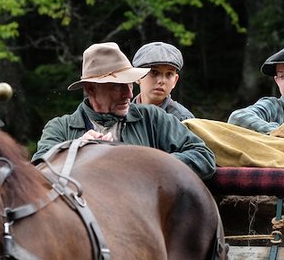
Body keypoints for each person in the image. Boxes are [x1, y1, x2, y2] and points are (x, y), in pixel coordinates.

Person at [32, 42, 215, 180]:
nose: (129, 94)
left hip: (145, 222)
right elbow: (38, 173)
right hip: (84, 224)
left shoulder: (153, 118)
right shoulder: (60, 128)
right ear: (91, 89)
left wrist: (148, 164)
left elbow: (204, 156)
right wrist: (76, 150)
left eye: (129, 84)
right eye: (117, 87)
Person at [227, 44, 284, 134]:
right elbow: (237, 118)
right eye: (281, 76)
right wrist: (282, 133)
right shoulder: (273, 107)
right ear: (276, 81)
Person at [131, 41, 194, 121]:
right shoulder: (123, 115)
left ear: (175, 80)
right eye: (154, 72)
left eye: (169, 74)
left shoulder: (182, 120)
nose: (162, 81)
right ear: (138, 76)